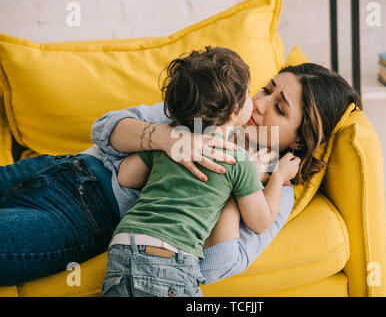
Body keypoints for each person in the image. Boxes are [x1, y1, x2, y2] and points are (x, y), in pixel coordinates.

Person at [0, 61, 361, 288]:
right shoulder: (216, 108)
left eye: (279, 108)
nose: (260, 104)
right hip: (60, 167)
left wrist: (238, 181)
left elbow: (219, 266)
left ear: (299, 142)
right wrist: (169, 138)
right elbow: (104, 129)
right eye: (267, 88)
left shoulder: (272, 191)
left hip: (85, 215)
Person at [101, 46, 300, 297]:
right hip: (170, 264)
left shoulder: (175, 141)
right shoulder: (239, 161)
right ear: (234, 113)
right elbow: (260, 222)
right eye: (250, 94)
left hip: (121, 249)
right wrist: (277, 176)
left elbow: (125, 177)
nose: (258, 103)